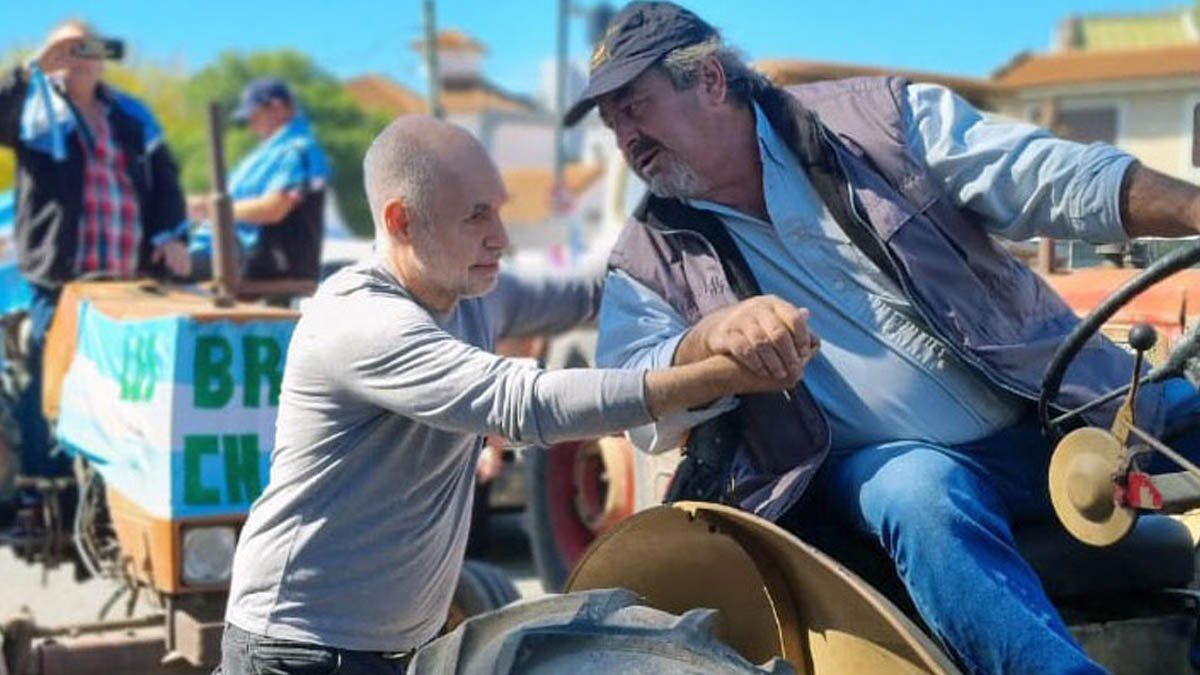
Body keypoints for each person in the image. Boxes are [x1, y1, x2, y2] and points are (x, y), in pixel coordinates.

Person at [570, 3, 1200, 674]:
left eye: (635, 106)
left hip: (1053, 413)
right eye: (613, 124)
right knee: (918, 489)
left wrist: (1193, 209)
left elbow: (1050, 176)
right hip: (874, 467)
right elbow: (634, 389)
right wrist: (706, 343)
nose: (626, 138)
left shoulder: (882, 123)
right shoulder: (645, 258)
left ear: (712, 81)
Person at [216, 115, 801, 674]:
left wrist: (719, 264)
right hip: (298, 651)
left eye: (496, 210)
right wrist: (716, 374)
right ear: (401, 222)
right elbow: (526, 404)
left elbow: (597, 289)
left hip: (393, 644)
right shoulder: (362, 324)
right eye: (475, 217)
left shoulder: (473, 293)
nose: (500, 237)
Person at [0, 19, 190, 478]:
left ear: (103, 58)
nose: (80, 58)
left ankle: (114, 488)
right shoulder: (33, 106)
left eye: (88, 48)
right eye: (69, 49)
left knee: (127, 387)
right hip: (62, 280)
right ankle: (41, 490)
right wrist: (32, 71)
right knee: (53, 380)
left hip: (129, 282)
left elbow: (165, 181)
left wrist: (174, 238)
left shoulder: (132, 115)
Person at [188, 77, 329, 283]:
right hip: (222, 246)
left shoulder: (296, 150)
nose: (251, 125)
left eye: (254, 116)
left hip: (251, 254)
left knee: (167, 266)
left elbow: (274, 208)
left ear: (278, 108)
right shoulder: (266, 154)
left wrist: (211, 208)